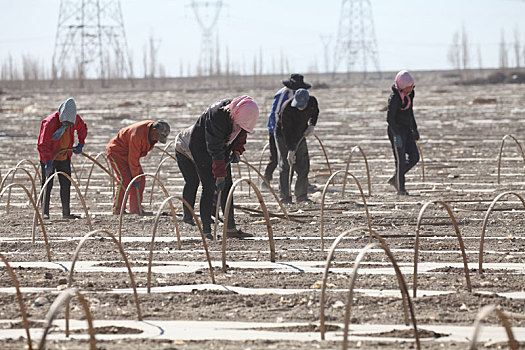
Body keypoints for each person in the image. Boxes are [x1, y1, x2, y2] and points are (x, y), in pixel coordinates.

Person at [188, 95, 259, 240]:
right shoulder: (218, 116)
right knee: (209, 186)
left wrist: (237, 151)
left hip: (222, 148)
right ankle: (206, 230)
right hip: (202, 149)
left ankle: (230, 228)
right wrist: (219, 174)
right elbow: (214, 148)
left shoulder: (241, 114)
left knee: (228, 186)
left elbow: (242, 132)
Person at [37, 98, 88, 219]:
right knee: (47, 185)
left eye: (70, 124)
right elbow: (42, 144)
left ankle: (66, 213)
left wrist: (81, 143)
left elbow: (82, 128)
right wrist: (48, 161)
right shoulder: (50, 122)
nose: (68, 125)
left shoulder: (75, 119)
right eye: (66, 123)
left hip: (64, 156)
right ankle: (44, 213)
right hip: (49, 158)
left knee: (66, 184)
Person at [106, 120, 170, 215]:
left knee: (141, 179)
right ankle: (118, 209)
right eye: (157, 137)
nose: (157, 140)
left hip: (129, 154)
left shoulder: (152, 131)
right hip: (117, 153)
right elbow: (133, 158)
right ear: (154, 130)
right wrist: (136, 178)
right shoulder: (137, 134)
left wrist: (137, 178)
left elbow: (134, 157)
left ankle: (135, 209)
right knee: (125, 179)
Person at [263, 74, 311, 188]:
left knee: (300, 157)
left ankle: (304, 184)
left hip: (293, 130)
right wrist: (277, 131)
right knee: (276, 158)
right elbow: (275, 114)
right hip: (277, 130)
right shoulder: (282, 95)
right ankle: (266, 180)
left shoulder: (301, 95)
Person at [274, 88, 319, 204]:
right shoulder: (287, 108)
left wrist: (312, 125)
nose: (299, 107)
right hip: (283, 136)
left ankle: (301, 196)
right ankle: (285, 197)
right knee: (286, 166)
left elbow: (315, 113)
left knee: (304, 165)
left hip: (300, 134)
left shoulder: (313, 102)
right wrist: (291, 150)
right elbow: (286, 131)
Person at [386, 70, 420, 196]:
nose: (411, 89)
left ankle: (396, 178)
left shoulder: (410, 95)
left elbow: (410, 112)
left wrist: (415, 129)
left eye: (412, 87)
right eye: (408, 87)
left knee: (415, 157)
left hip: (406, 129)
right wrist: (396, 135)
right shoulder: (394, 98)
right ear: (401, 86)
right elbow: (389, 119)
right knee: (400, 159)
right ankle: (401, 188)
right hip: (396, 130)